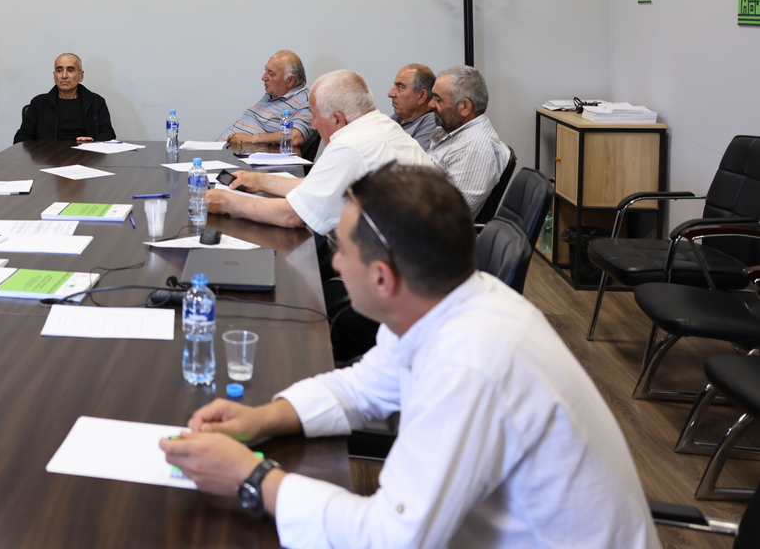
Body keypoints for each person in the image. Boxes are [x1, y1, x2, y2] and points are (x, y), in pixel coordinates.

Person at [161, 165, 659, 549]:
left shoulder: (468, 363)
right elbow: (364, 385)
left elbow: (388, 537)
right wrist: (262, 418)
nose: (335, 261)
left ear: (383, 278)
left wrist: (251, 478)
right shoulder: (454, 298)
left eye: (340, 248)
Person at [208, 70, 435, 234]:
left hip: (399, 270)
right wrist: (258, 180)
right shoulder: (380, 126)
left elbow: (293, 216)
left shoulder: (351, 145)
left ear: (337, 119)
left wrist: (229, 202)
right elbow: (318, 187)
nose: (313, 125)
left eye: (315, 116)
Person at [427, 65, 510, 216]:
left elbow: (448, 214)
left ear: (465, 107)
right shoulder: (453, 131)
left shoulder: (472, 149)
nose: (430, 104)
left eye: (438, 99)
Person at [13, 53, 116, 144]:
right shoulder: (39, 103)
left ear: (81, 75)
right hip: (48, 157)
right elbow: (21, 138)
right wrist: (40, 151)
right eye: (59, 70)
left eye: (70, 70)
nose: (64, 75)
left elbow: (108, 134)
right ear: (55, 76)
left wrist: (94, 143)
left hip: (86, 156)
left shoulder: (96, 102)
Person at [221, 51, 314, 151]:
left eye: (271, 74)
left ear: (290, 80)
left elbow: (295, 137)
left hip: (245, 157)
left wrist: (251, 139)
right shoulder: (273, 94)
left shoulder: (307, 102)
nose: (263, 78)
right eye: (266, 71)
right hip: (223, 152)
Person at [386, 63, 437, 150]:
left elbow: (414, 158)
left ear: (422, 96)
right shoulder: (397, 117)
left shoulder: (432, 122)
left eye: (400, 87)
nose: (390, 94)